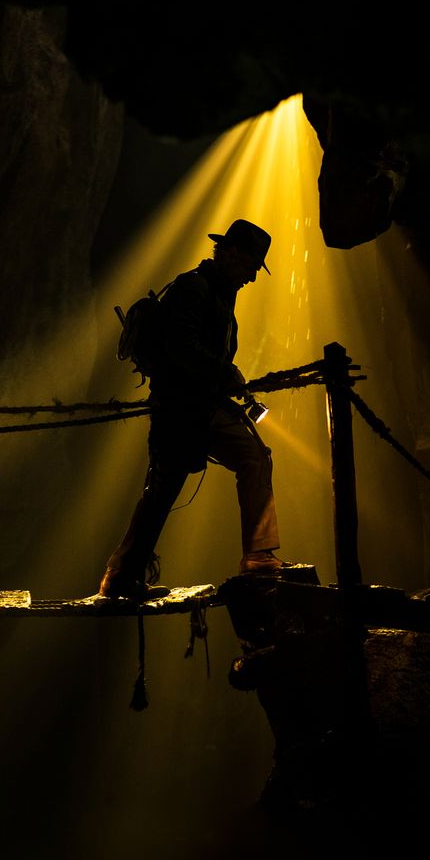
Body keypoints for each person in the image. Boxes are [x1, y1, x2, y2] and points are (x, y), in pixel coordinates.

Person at [98, 219, 289, 598]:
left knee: (254, 456)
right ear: (232, 255)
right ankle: (120, 578)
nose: (252, 277)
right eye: (252, 266)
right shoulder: (193, 288)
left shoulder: (217, 294)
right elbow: (180, 348)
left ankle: (258, 555)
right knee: (162, 492)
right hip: (179, 409)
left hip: (204, 408)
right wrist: (224, 373)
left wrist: (223, 379)